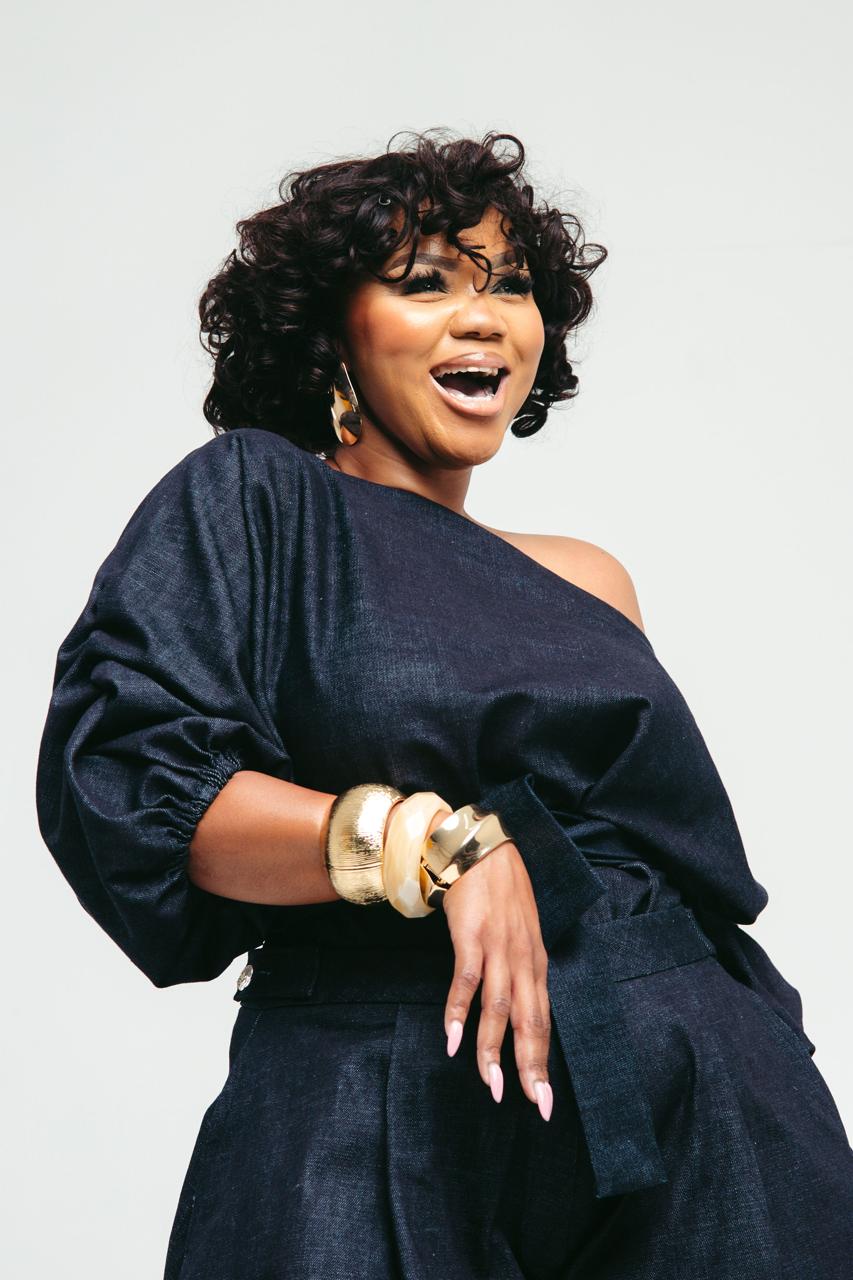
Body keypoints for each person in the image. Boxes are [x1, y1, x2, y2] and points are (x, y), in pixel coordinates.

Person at [35, 129, 853, 1279]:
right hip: (376, 1077)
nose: (482, 317)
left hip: (694, 1097)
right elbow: (139, 789)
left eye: (508, 285)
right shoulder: (259, 503)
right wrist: (434, 844)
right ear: (333, 333)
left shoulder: (589, 577)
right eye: (424, 283)